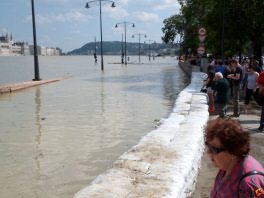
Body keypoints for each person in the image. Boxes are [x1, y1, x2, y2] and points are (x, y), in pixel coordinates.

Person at [205, 119, 264, 197]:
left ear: (232, 151)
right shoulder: (227, 166)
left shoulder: (249, 184)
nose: (208, 153)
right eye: (208, 146)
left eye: (214, 149)